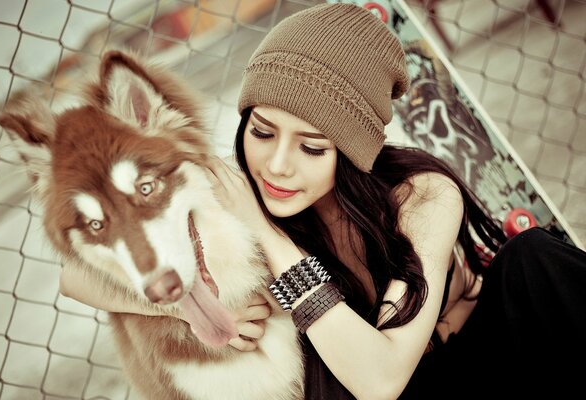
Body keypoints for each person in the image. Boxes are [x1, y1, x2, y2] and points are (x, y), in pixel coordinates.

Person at [60, 3, 586, 399]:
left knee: (533, 258)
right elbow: (75, 277)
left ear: (352, 150)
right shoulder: (245, 193)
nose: (277, 165)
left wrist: (268, 236)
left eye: (312, 146)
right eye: (262, 132)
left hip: (507, 358)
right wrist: (184, 307)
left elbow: (380, 379)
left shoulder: (420, 196)